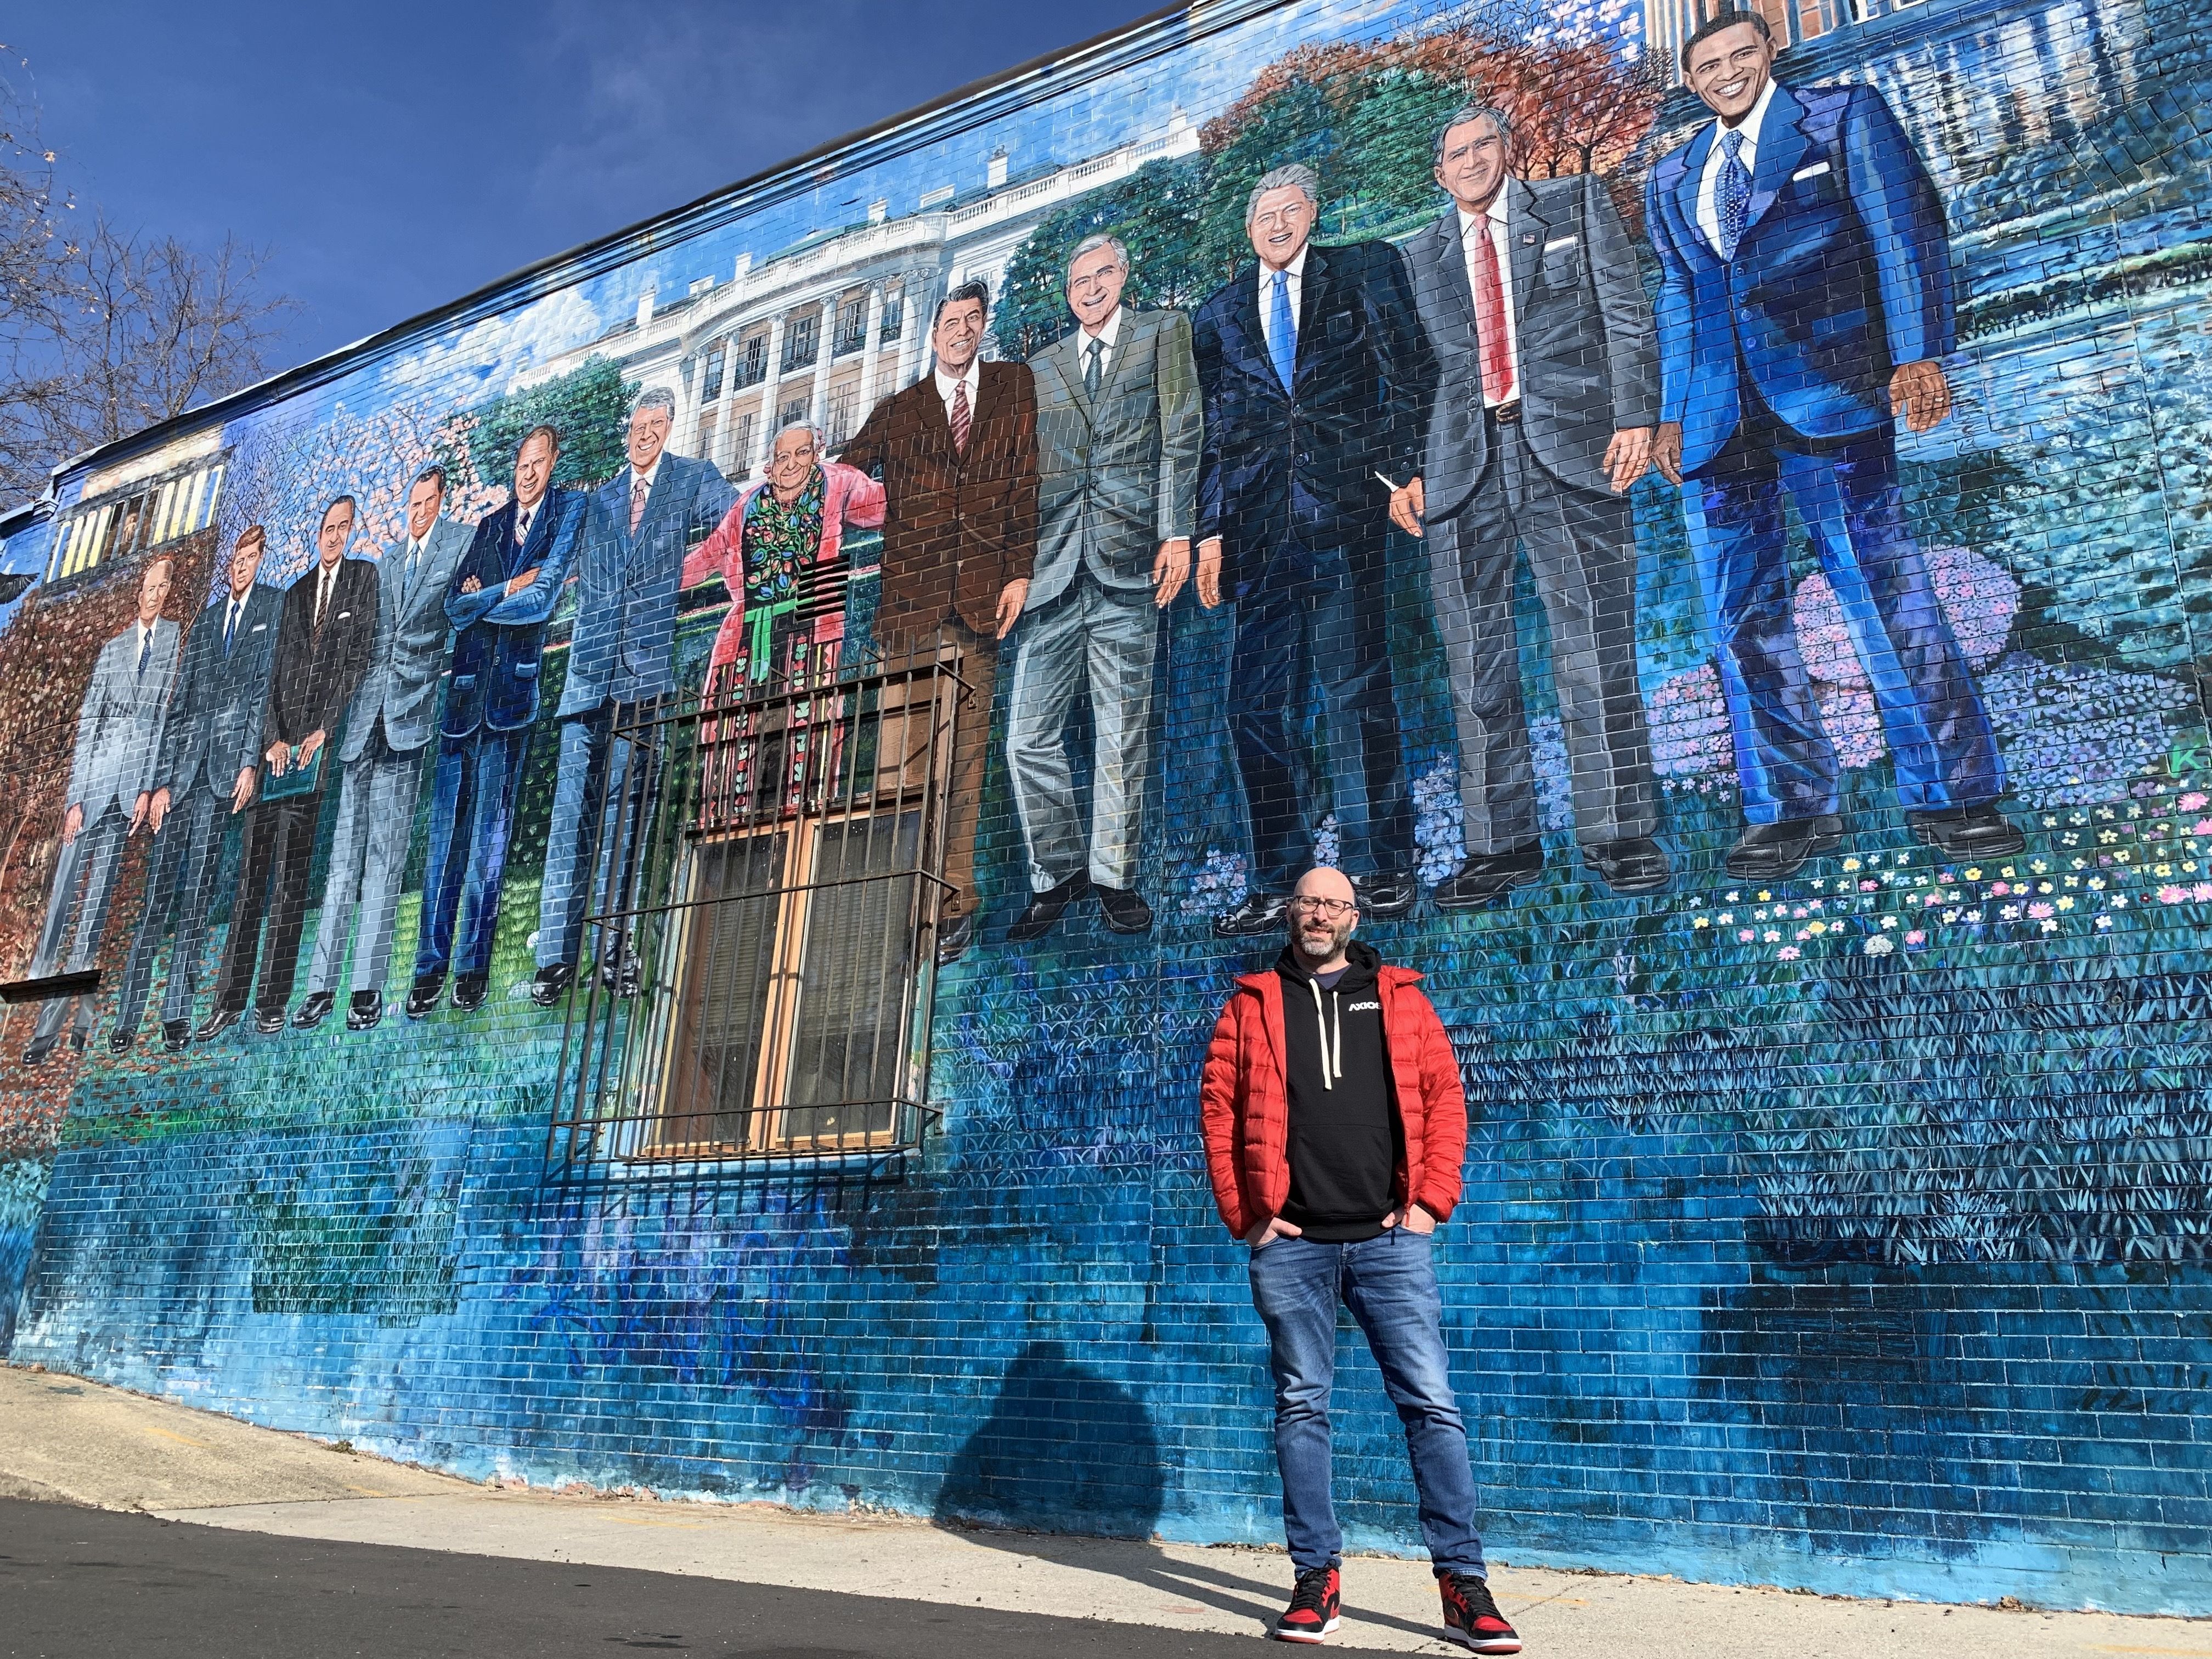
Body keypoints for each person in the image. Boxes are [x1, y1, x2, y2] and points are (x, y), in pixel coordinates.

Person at [1646, 9, 2022, 878]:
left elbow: (1905, 233)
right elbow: (1677, 292)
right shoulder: (1672, 173)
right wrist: (1672, 409)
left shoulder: (1841, 117)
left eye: (1742, 55)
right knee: (1742, 619)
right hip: (1717, 416)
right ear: (1693, 81)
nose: (1728, 74)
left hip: (1831, 392)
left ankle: (1957, 796)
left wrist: (1919, 352)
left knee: (1882, 591)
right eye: (1709, 66)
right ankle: (1788, 809)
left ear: (1768, 55)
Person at [1198, 866, 1517, 1654]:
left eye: (1334, 903)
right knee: (1302, 1407)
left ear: (1352, 917)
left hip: (1389, 1241)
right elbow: (1218, 1107)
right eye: (1308, 901)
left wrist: (1427, 1207)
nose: (1319, 914)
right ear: (1292, 912)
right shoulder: (1251, 1002)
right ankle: (1317, 1580)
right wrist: (1249, 1218)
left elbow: (1445, 1098)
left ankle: (1462, 1584)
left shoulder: (1401, 998)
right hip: (1292, 1243)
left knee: (1431, 1406)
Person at [1399, 105, 1669, 906]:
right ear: (1440, 173)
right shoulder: (1419, 256)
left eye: (1485, 144)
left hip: (1570, 452)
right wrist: (1400, 474)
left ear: (1507, 151)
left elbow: (1627, 316)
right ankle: (1502, 847)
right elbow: (1404, 376)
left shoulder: (1576, 206)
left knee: (1592, 646)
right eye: (1457, 153)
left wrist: (1636, 416)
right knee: (1476, 665)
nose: (1473, 160)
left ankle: (1619, 836)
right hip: (1459, 468)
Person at [1192, 163, 1434, 938]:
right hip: (1259, 536)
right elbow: (1213, 435)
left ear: (1312, 214)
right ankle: (1275, 876)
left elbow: (1410, 372)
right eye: (1263, 213)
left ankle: (1379, 864)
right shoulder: (1219, 315)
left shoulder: (1361, 270)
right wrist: (1208, 532)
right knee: (1255, 707)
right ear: (1248, 228)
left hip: (1344, 514)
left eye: (1290, 210)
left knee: (1355, 689)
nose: (1276, 223)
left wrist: (1401, 470)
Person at [1006, 233, 1201, 944]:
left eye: (1101, 275)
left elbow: (1182, 433)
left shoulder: (1161, 333)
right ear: (1068, 291)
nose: (1089, 289)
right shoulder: (1041, 368)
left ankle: (1116, 880)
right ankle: (1057, 874)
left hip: (1130, 559)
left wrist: (1175, 531)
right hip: (1053, 573)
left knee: (1121, 735)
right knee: (1027, 736)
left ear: (1123, 275)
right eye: (1078, 281)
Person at [838, 278, 1039, 966]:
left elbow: (1025, 482)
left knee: (965, 763)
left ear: (983, 328)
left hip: (980, 607)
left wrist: (1019, 570)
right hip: (910, 612)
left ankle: (951, 905)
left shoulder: (1014, 389)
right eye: (951, 322)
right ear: (932, 334)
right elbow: (846, 479)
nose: (961, 332)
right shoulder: (900, 410)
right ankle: (900, 905)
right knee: (902, 766)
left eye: (972, 321)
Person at [531, 388, 736, 1005]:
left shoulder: (692, 479)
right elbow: (553, 567)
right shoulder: (596, 504)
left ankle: (615, 956)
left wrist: (688, 571)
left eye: (654, 425)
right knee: (570, 822)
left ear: (669, 428)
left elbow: (734, 525)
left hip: (645, 679)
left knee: (627, 823)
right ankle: (554, 960)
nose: (643, 435)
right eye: (636, 426)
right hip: (586, 681)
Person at [408, 426, 586, 1016]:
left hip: (510, 702)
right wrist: (507, 587)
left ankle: (470, 971)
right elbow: (455, 609)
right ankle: (429, 970)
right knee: (443, 850)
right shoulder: (488, 527)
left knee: (489, 846)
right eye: (522, 464)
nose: (528, 473)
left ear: (553, 464)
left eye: (539, 463)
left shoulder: (567, 512)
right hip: (461, 704)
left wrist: (493, 598)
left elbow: (544, 601)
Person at [294, 466, 472, 1033]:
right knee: (343, 861)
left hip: (409, 719)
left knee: (385, 860)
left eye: (427, 503)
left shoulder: (462, 545)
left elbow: (465, 609)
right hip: (361, 723)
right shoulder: (382, 565)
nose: (418, 512)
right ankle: (320, 989)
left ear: (442, 502)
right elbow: (363, 643)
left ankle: (365, 990)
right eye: (412, 504)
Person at [200, 496, 379, 1038]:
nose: (334, 535)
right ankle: (228, 1001)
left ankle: (271, 1002)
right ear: (317, 534)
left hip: (314, 758)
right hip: (276, 756)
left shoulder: (361, 582)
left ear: (351, 533)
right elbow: (270, 675)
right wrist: (272, 740)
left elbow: (356, 660)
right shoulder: (295, 594)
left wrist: (323, 728)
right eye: (328, 527)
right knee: (251, 881)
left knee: (291, 883)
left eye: (343, 528)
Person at [109, 527, 281, 1054]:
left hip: (221, 777)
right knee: (155, 900)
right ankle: (127, 1017)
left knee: (196, 901)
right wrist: (160, 782)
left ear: (260, 563)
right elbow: (177, 705)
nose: (241, 566)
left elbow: (260, 693)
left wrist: (249, 764)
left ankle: (176, 1014)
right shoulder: (206, 620)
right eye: (237, 558)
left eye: (250, 559)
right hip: (180, 781)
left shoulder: (270, 611)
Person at [21, 554, 180, 1062]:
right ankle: (42, 1030)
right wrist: (73, 801)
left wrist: (147, 786)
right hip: (89, 797)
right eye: (149, 587)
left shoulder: (173, 643)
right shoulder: (112, 651)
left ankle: (80, 1025)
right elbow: (89, 727)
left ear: (168, 593)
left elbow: (159, 722)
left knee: (94, 918)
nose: (155, 595)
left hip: (124, 800)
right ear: (139, 593)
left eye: (163, 588)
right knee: (62, 912)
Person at [682, 421, 885, 691]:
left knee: (809, 711)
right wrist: (649, 579)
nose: (791, 465)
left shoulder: (837, 481)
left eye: (802, 453)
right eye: (783, 457)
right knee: (737, 719)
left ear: (817, 453)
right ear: (772, 465)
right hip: (749, 625)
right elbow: (707, 555)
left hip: (815, 615)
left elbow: (884, 505)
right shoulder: (748, 503)